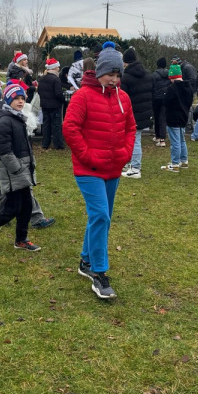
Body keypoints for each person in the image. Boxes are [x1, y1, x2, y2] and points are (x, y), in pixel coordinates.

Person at [63, 41, 136, 300]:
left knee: (101, 218)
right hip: (88, 170)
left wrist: (125, 154)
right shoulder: (83, 96)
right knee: (101, 215)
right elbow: (70, 128)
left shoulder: (123, 98)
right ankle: (99, 272)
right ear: (99, 71)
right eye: (110, 74)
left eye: (118, 75)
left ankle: (85, 259)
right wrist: (88, 156)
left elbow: (130, 127)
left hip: (113, 169)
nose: (115, 79)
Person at [0, 83, 41, 252]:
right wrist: (18, 169)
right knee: (11, 209)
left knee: (26, 206)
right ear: (8, 99)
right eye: (16, 98)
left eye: (22, 98)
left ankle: (21, 239)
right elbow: (4, 150)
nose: (20, 101)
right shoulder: (4, 120)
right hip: (14, 171)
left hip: (23, 167)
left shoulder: (17, 117)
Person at [120, 47, 153, 179]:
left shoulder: (126, 78)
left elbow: (122, 97)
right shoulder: (148, 75)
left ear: (125, 62)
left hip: (132, 113)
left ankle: (135, 168)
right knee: (133, 140)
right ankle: (131, 164)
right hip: (144, 112)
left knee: (134, 141)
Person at [161, 64, 194, 173]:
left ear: (172, 77)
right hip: (183, 116)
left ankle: (175, 164)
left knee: (175, 141)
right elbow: (190, 102)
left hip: (173, 117)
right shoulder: (188, 87)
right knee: (182, 140)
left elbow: (166, 101)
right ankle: (184, 161)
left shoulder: (172, 88)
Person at [37, 57, 65, 150]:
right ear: (55, 67)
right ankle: (58, 144)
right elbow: (58, 93)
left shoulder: (42, 78)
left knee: (46, 124)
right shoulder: (56, 79)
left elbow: (39, 91)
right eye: (58, 67)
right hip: (55, 105)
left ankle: (45, 143)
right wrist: (63, 100)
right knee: (56, 125)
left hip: (45, 104)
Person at [171, 54, 197, 131]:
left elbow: (192, 80)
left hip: (189, 91)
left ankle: (188, 125)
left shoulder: (187, 68)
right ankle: (187, 124)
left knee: (188, 108)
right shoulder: (183, 68)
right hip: (186, 90)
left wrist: (182, 84)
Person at [151, 57, 170, 147]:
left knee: (157, 117)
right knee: (163, 117)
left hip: (156, 98)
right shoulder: (169, 74)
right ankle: (162, 138)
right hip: (166, 97)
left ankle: (158, 136)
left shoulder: (154, 75)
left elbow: (151, 87)